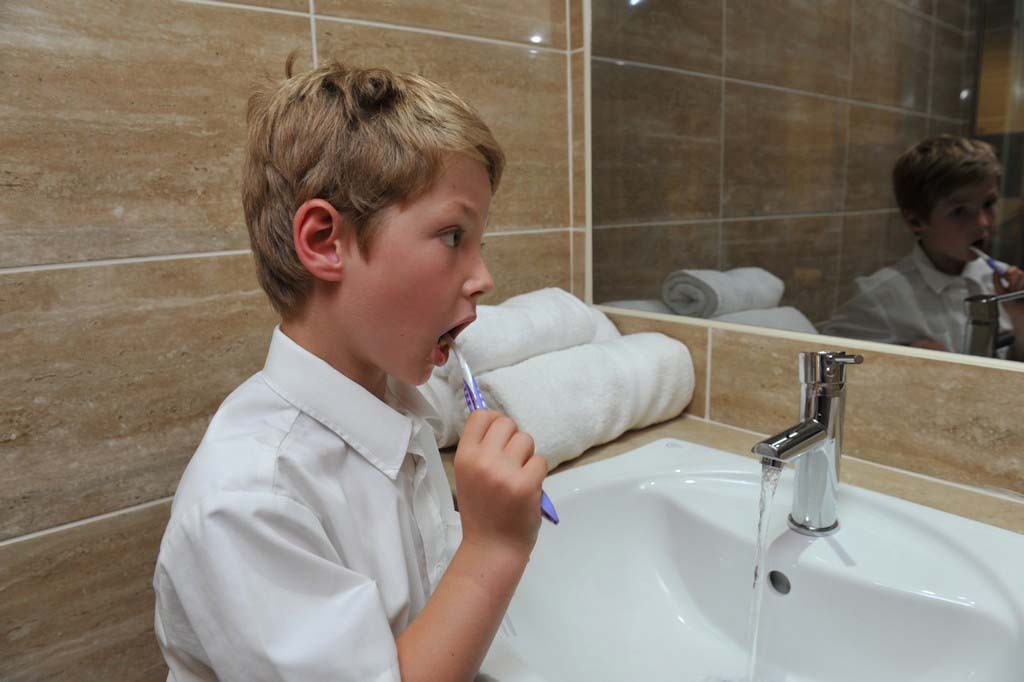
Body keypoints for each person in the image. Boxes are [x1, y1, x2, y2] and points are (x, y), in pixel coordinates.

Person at [152, 56, 548, 681]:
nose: (484, 278)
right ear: (323, 242)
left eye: (480, 242)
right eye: (452, 237)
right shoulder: (250, 500)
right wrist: (493, 547)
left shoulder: (393, 406)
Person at [822, 135, 1024, 359]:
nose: (984, 222)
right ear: (916, 222)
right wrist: (899, 363)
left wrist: (1021, 323)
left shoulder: (1008, 289)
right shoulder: (880, 299)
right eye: (959, 211)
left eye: (988, 204)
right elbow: (828, 361)